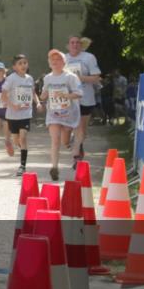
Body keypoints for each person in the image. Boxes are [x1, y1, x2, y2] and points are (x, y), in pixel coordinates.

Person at [41, 49, 83, 181]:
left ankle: (70, 142)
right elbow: (43, 95)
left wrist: (67, 95)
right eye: (52, 59)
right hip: (53, 114)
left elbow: (79, 93)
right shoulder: (47, 78)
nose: (55, 61)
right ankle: (54, 167)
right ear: (49, 63)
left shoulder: (71, 77)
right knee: (55, 140)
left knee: (64, 140)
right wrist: (44, 95)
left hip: (69, 114)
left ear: (64, 62)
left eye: (58, 59)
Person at [64, 34, 102, 164]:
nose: (75, 45)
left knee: (82, 129)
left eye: (77, 43)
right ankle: (74, 144)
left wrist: (80, 78)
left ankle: (77, 153)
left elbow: (96, 78)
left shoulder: (89, 58)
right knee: (69, 129)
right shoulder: (64, 59)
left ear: (81, 45)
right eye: (72, 43)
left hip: (85, 98)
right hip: (68, 99)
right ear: (68, 46)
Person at [3, 54, 43, 176]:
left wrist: (38, 103)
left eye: (25, 62)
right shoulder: (11, 78)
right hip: (13, 114)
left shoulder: (30, 78)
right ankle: (19, 148)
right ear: (14, 67)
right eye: (20, 63)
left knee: (23, 138)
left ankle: (22, 166)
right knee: (16, 141)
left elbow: (33, 93)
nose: (23, 65)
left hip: (26, 113)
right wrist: (12, 105)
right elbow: (3, 95)